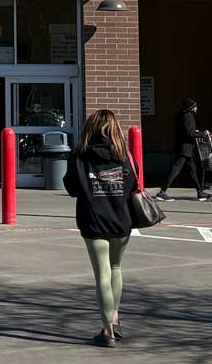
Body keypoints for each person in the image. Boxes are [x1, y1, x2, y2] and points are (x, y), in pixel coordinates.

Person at [63, 109, 138, 349]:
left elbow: (72, 188)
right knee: (116, 268)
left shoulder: (79, 156)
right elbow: (134, 185)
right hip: (122, 221)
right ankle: (114, 319)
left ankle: (107, 331)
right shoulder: (125, 156)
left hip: (94, 222)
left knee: (102, 275)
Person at [156, 99, 208, 202]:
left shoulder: (180, 115)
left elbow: (185, 130)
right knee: (175, 169)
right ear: (192, 107)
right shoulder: (188, 116)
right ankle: (162, 192)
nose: (197, 108)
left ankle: (200, 192)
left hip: (184, 147)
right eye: (195, 106)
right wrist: (203, 134)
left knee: (193, 170)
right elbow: (189, 133)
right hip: (185, 148)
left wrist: (195, 132)